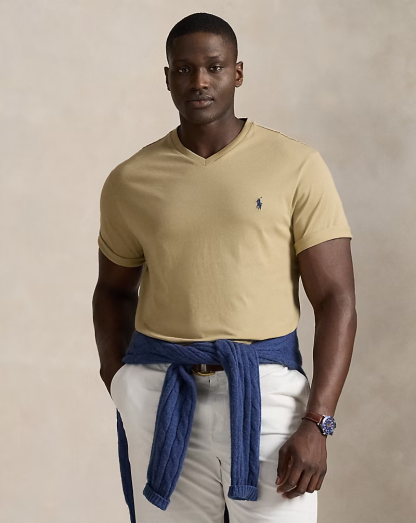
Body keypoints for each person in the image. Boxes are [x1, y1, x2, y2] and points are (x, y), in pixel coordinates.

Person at [92, 12, 357, 523]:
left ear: (237, 73)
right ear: (167, 77)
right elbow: (113, 291)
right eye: (184, 69)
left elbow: (336, 299)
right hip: (163, 395)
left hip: (268, 394)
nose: (199, 81)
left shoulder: (296, 165)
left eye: (213, 67)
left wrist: (318, 420)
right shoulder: (131, 179)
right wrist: (121, 382)